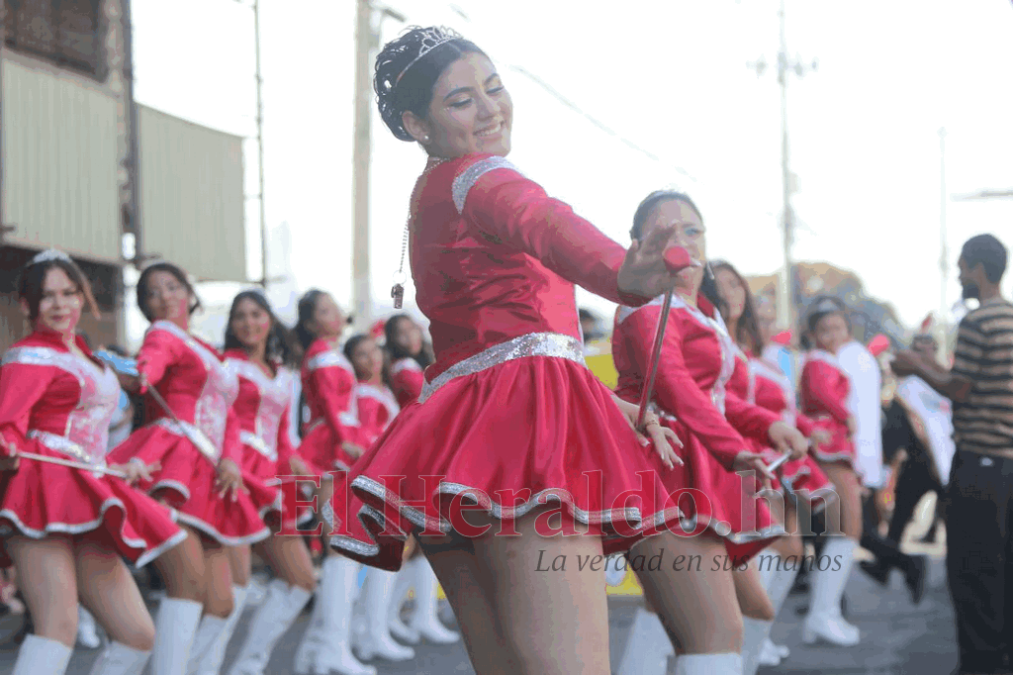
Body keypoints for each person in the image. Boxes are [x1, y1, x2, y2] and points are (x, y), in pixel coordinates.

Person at [330, 26, 699, 675]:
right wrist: (624, 272)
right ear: (416, 122)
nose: (492, 108)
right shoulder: (481, 176)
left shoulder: (429, 195)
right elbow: (544, 221)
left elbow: (498, 321)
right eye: (462, 100)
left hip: (453, 441)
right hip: (524, 439)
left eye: (494, 88)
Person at [610, 193, 808, 675]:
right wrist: (735, 449)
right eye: (663, 233)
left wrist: (768, 424)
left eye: (692, 231)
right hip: (667, 466)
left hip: (698, 466)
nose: (681, 242)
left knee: (707, 629)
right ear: (637, 244)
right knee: (712, 632)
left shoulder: (697, 309)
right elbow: (674, 386)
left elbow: (712, 394)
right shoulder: (647, 305)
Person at [0, 250, 189, 675]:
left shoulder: (91, 356)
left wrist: (116, 467)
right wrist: (6, 444)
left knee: (138, 635)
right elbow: (7, 425)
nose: (60, 305)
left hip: (89, 491)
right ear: (27, 304)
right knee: (57, 627)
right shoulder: (28, 357)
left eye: (69, 293)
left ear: (82, 297)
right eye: (46, 296)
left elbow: (90, 439)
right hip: (40, 493)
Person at [108, 261, 270, 675]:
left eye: (172, 286)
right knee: (189, 584)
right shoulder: (162, 335)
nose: (164, 296)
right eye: (152, 292)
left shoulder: (209, 350)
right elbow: (150, 365)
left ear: (189, 292)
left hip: (213, 468)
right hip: (176, 458)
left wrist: (232, 457)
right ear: (145, 305)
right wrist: (139, 374)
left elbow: (230, 415)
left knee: (221, 602)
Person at [891, 233, 1012, 675]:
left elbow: (959, 389)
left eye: (962, 267)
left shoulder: (980, 321)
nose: (960, 275)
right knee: (1003, 575)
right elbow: (968, 381)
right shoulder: (1010, 319)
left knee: (974, 576)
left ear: (977, 268)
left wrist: (914, 366)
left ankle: (980, 667)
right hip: (1007, 467)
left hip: (979, 465)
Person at [712, 260, 836, 672]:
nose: (732, 292)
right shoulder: (711, 341)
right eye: (722, 283)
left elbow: (771, 407)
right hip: (729, 459)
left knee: (788, 550)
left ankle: (748, 650)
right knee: (730, 580)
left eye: (736, 283)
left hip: (763, 455)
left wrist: (797, 428)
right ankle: (740, 652)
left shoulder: (746, 353)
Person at [208, 290, 317, 675]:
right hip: (233, 473)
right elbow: (219, 422)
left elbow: (285, 442)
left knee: (300, 581)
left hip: (270, 480)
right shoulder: (225, 365)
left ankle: (248, 666)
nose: (248, 322)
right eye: (240, 315)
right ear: (232, 324)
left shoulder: (285, 375)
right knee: (233, 590)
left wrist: (316, 480)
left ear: (269, 319)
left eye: (256, 314)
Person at [291, 289, 374, 675]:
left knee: (341, 547)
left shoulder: (328, 351)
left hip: (338, 443)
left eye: (334, 307)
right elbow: (327, 402)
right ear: (310, 323)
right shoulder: (323, 355)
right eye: (323, 311)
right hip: (332, 446)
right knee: (340, 545)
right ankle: (329, 651)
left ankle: (318, 651)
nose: (334, 313)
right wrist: (346, 442)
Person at [379, 318, 462, 647]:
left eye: (412, 329)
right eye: (401, 333)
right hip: (417, 461)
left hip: (427, 458)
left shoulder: (417, 365)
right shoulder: (404, 369)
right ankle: (383, 620)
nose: (410, 336)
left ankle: (404, 616)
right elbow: (433, 404)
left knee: (421, 543)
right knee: (419, 539)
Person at [798, 297, 863, 647]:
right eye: (824, 329)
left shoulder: (828, 359)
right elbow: (822, 395)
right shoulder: (818, 361)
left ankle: (823, 614)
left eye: (837, 328)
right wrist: (846, 413)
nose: (832, 334)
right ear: (812, 333)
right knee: (846, 528)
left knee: (842, 530)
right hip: (827, 445)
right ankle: (823, 613)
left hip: (834, 446)